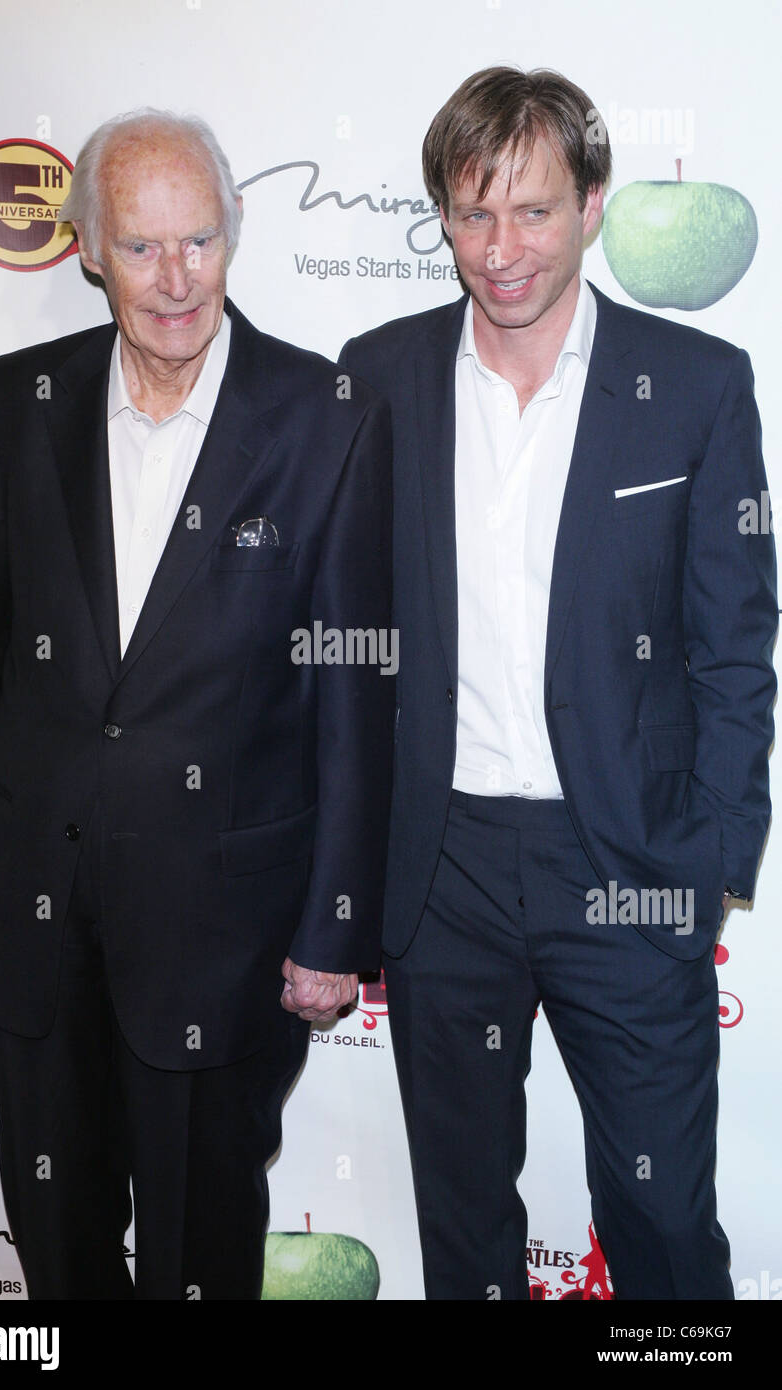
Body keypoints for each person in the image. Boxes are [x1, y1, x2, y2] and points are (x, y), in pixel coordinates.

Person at [0, 109, 393, 1300]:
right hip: (34, 900)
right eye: (140, 247)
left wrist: (334, 927)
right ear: (86, 247)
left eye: (199, 242)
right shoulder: (14, 399)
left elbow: (351, 690)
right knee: (56, 1234)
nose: (175, 280)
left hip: (223, 931)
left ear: (233, 238)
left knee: (199, 1246)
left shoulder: (326, 415)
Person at [340, 66, 776, 1300]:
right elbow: (345, 641)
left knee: (661, 1224)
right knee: (464, 1227)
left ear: (592, 203)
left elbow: (734, 644)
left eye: (531, 210)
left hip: (625, 865)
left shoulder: (695, 385)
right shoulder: (375, 374)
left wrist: (708, 861)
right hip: (445, 869)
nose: (500, 248)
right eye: (472, 214)